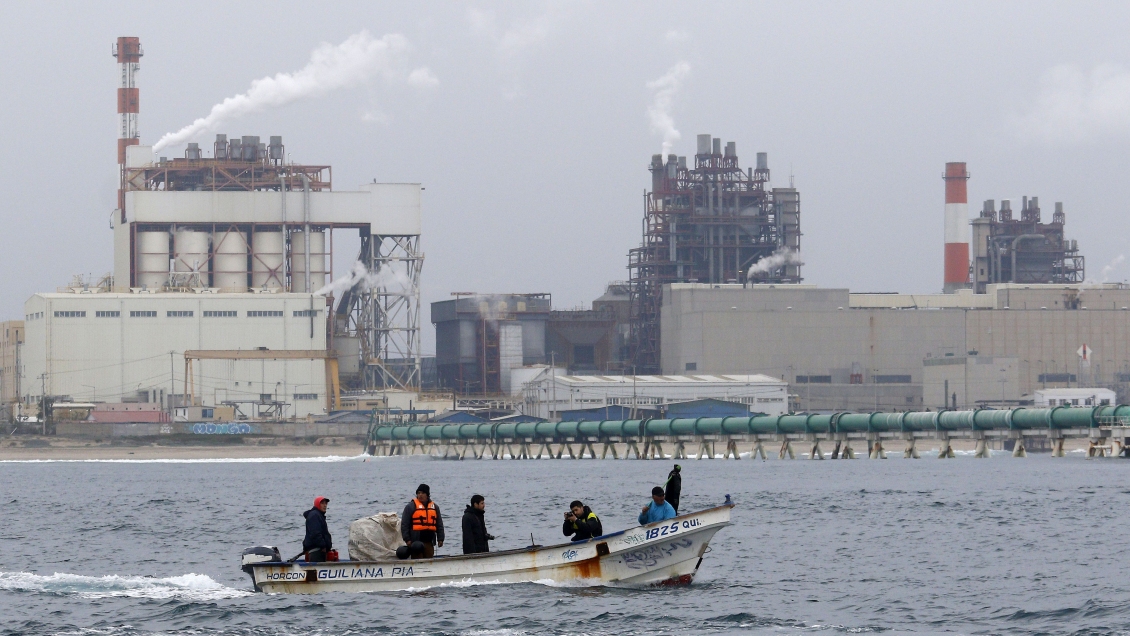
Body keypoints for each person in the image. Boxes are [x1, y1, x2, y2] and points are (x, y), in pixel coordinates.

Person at [401, 484, 444, 558]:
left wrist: (440, 538)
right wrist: (407, 539)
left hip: (429, 541)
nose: (420, 495)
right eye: (418, 493)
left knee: (429, 557)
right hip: (415, 542)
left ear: (427, 495)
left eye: (423, 493)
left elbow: (439, 524)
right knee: (418, 559)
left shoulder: (435, 507)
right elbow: (404, 524)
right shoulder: (410, 507)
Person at [302, 496, 332, 561]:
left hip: (319, 550)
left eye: (326, 503)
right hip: (316, 551)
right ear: (317, 504)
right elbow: (315, 533)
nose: (325, 505)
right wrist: (323, 545)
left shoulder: (318, 515)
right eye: (322, 503)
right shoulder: (314, 515)